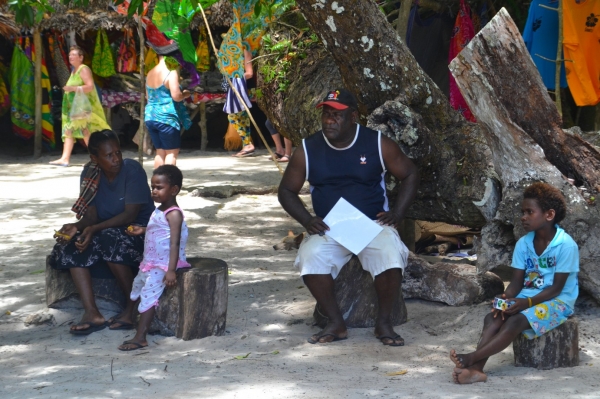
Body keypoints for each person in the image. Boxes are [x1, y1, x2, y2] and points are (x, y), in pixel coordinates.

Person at [278, 89, 419, 346]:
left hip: (372, 223)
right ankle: (335, 322)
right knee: (310, 257)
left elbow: (409, 173)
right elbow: (286, 191)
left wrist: (397, 213)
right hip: (331, 227)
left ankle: (384, 322)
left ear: (353, 116)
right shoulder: (308, 148)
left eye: (337, 115)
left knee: (389, 253)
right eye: (326, 114)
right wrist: (307, 220)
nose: (329, 120)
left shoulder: (377, 143)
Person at [450, 182, 579, 384]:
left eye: (530, 212)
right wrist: (506, 298)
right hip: (528, 297)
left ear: (549, 215)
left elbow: (557, 288)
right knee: (492, 318)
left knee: (516, 321)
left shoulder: (565, 245)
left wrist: (525, 304)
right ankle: (477, 370)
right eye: (522, 211)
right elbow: (517, 283)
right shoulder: (524, 243)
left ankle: (472, 359)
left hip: (558, 301)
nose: (523, 217)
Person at [51, 130, 155, 334]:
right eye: (109, 155)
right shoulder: (90, 172)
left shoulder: (132, 170)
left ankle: (132, 306)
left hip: (138, 233)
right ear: (94, 158)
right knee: (71, 245)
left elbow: (129, 215)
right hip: (106, 231)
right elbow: (91, 217)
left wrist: (93, 229)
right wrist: (77, 227)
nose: (116, 159)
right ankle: (92, 313)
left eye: (118, 153)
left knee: (109, 240)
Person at [118, 165, 191, 351]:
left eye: (159, 187)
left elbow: (174, 243)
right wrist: (141, 230)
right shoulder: (158, 210)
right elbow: (158, 230)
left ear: (174, 190)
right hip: (150, 261)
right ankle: (129, 317)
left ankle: (141, 336)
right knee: (138, 287)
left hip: (164, 265)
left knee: (150, 296)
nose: (154, 191)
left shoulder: (174, 214)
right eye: (153, 187)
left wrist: (171, 270)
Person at [49, 46, 110, 167]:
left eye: (74, 55)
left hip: (82, 108)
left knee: (85, 131)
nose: (70, 57)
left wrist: (72, 88)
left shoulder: (84, 69)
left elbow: (90, 86)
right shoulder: (74, 70)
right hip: (74, 109)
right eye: (70, 55)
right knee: (70, 131)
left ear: (81, 57)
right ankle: (65, 158)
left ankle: (96, 158)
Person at [145, 50, 191, 168]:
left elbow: (147, 96)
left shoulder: (150, 72)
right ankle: (169, 184)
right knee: (171, 153)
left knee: (160, 152)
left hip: (150, 117)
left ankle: (157, 185)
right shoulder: (171, 72)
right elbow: (176, 97)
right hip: (166, 118)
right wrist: (186, 93)